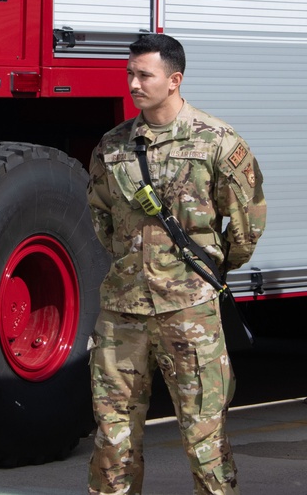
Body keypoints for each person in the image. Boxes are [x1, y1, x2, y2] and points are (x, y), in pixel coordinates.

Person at [85, 33, 266, 495]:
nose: (134, 84)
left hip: (190, 315)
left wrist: (199, 277)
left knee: (204, 438)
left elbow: (246, 226)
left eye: (144, 74)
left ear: (174, 80)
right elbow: (101, 218)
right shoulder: (112, 146)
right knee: (113, 437)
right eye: (130, 73)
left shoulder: (217, 142)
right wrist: (134, 265)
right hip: (122, 312)